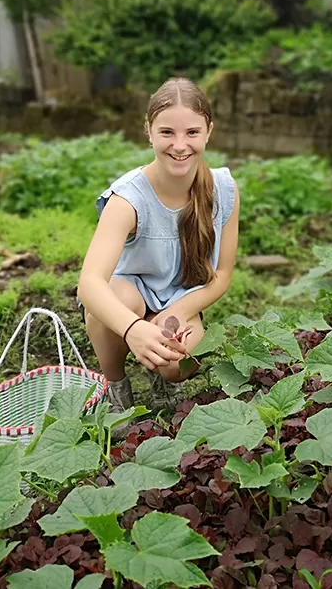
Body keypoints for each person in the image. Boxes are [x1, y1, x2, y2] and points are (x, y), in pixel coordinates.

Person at [76, 77, 240, 414]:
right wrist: (134, 329)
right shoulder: (128, 199)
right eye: (167, 132)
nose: (180, 145)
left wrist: (173, 315)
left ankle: (163, 382)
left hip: (180, 298)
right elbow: (89, 283)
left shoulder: (223, 189)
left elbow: (222, 274)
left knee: (179, 364)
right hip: (129, 295)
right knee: (111, 304)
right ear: (148, 131)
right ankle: (116, 387)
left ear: (209, 131)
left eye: (192, 132)